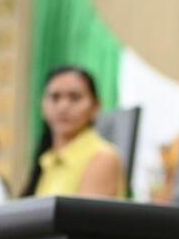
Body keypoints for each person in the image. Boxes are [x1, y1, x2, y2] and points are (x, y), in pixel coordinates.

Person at [23, 65, 125, 199]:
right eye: (55, 97)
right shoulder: (46, 161)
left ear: (95, 107)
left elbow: (82, 219)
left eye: (75, 97)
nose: (63, 106)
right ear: (42, 105)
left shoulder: (103, 157)